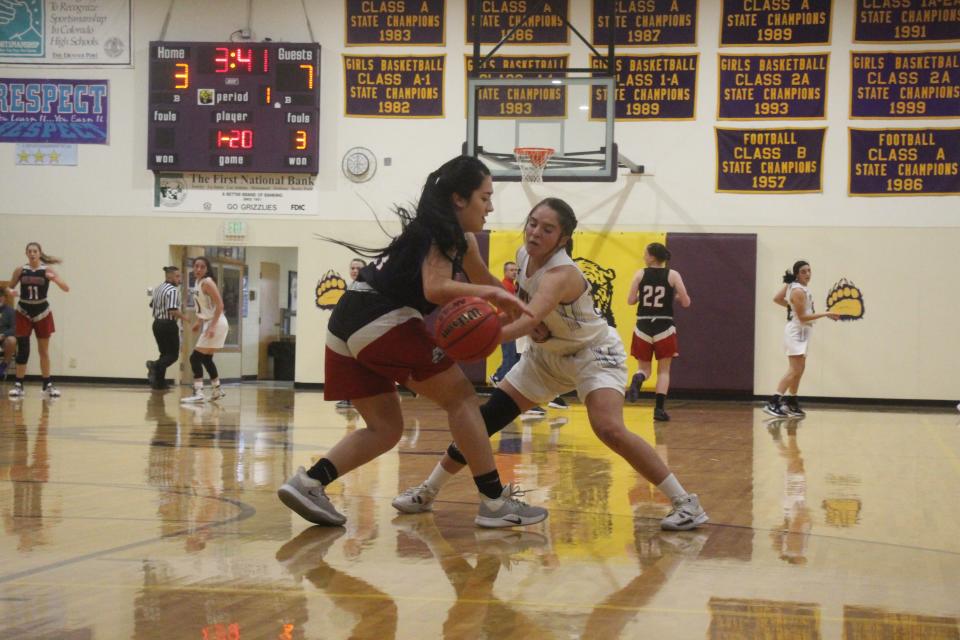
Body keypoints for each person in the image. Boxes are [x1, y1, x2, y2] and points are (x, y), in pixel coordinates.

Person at [393, 198, 708, 531]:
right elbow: (512, 300)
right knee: (482, 422)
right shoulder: (523, 255)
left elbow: (529, 321)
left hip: (594, 353)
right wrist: (507, 310)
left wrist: (482, 339)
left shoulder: (562, 273)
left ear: (562, 238)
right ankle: (427, 491)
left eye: (547, 229)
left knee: (609, 429)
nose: (535, 233)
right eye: (532, 223)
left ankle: (686, 503)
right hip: (547, 357)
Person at [277, 155, 547, 528]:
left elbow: (485, 281)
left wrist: (523, 311)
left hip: (347, 320)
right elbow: (435, 288)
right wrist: (496, 297)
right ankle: (493, 503)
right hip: (379, 317)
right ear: (459, 199)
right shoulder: (439, 232)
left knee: (384, 428)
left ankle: (310, 482)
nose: (491, 207)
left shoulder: (454, 236)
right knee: (463, 398)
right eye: (485, 198)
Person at [763, 260, 839, 418]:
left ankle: (791, 402)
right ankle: (773, 402)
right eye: (804, 271)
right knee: (794, 370)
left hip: (803, 332)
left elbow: (777, 298)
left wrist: (791, 306)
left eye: (809, 271)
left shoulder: (794, 286)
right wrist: (826, 313)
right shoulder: (798, 291)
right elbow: (803, 317)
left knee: (800, 369)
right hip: (796, 332)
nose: (808, 274)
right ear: (797, 273)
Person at [625, 243, 691, 422]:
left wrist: (641, 296)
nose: (644, 257)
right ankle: (659, 410)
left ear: (652, 257)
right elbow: (686, 302)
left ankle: (638, 378)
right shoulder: (673, 274)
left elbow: (630, 301)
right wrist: (674, 297)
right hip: (664, 325)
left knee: (644, 369)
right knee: (664, 371)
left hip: (643, 326)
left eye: (645, 254)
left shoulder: (640, 274)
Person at [8, 242, 70, 399]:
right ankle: (19, 384)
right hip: (24, 312)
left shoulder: (47, 270)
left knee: (43, 351)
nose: (32, 253)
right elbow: (9, 287)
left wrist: (54, 279)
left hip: (42, 312)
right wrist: (11, 291)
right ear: (26, 253)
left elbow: (66, 287)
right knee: (23, 349)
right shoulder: (21, 270)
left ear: (40, 253)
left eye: (35, 251)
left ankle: (47, 384)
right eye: (29, 251)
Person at [181, 257, 229, 404]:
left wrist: (212, 326)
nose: (198, 269)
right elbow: (206, 306)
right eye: (196, 266)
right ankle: (216, 389)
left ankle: (199, 392)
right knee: (206, 359)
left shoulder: (207, 282)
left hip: (216, 322)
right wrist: (199, 321)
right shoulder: (198, 282)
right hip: (212, 322)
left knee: (194, 358)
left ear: (207, 269)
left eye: (202, 267)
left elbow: (220, 305)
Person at [336, 258, 368, 410]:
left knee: (361, 368)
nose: (355, 270)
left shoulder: (367, 288)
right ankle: (350, 398)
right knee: (349, 367)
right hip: (350, 334)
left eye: (358, 268)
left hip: (363, 334)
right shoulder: (350, 287)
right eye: (353, 268)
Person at [146, 266, 185, 391]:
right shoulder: (172, 290)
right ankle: (154, 365)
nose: (179, 279)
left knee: (164, 354)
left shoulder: (158, 288)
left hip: (156, 324)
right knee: (173, 355)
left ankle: (160, 383)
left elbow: (151, 304)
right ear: (170, 277)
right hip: (168, 325)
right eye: (177, 276)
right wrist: (186, 318)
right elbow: (172, 310)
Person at [489, 261, 520, 386]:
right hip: (506, 327)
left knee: (514, 357)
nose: (514, 272)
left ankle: (497, 376)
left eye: (515, 270)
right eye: (511, 270)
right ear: (505, 272)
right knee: (510, 357)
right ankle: (498, 378)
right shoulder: (505, 287)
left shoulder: (512, 286)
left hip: (510, 326)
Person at [0, 287, 16, 380]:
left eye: (1, 296)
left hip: (3, 338)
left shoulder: (10, 311)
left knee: (12, 340)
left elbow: (15, 328)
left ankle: (3, 365)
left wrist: (3, 335)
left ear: (5, 298)